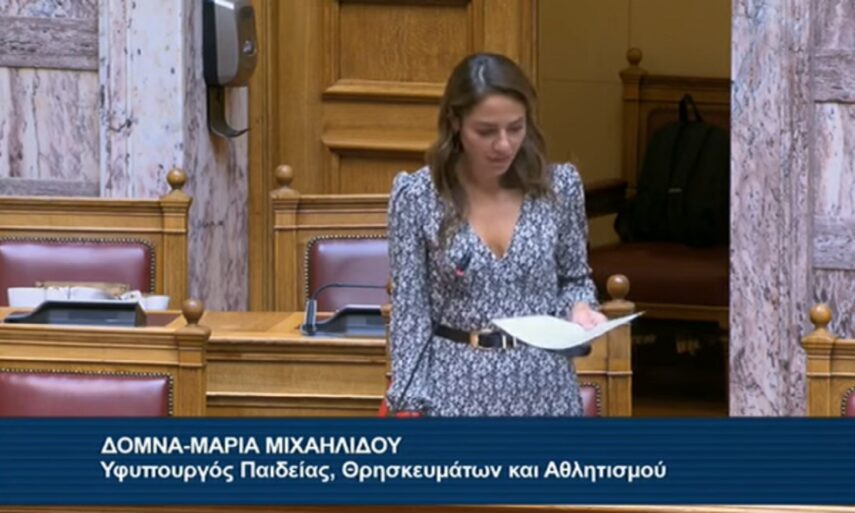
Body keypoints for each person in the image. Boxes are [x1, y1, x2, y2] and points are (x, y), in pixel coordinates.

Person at [386, 52, 606, 417]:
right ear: (455, 122)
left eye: (516, 128)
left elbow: (574, 280)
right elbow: (411, 312)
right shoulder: (417, 197)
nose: (504, 144)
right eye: (486, 131)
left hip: (545, 389)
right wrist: (411, 403)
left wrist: (581, 309)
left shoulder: (559, 188)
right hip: (454, 391)